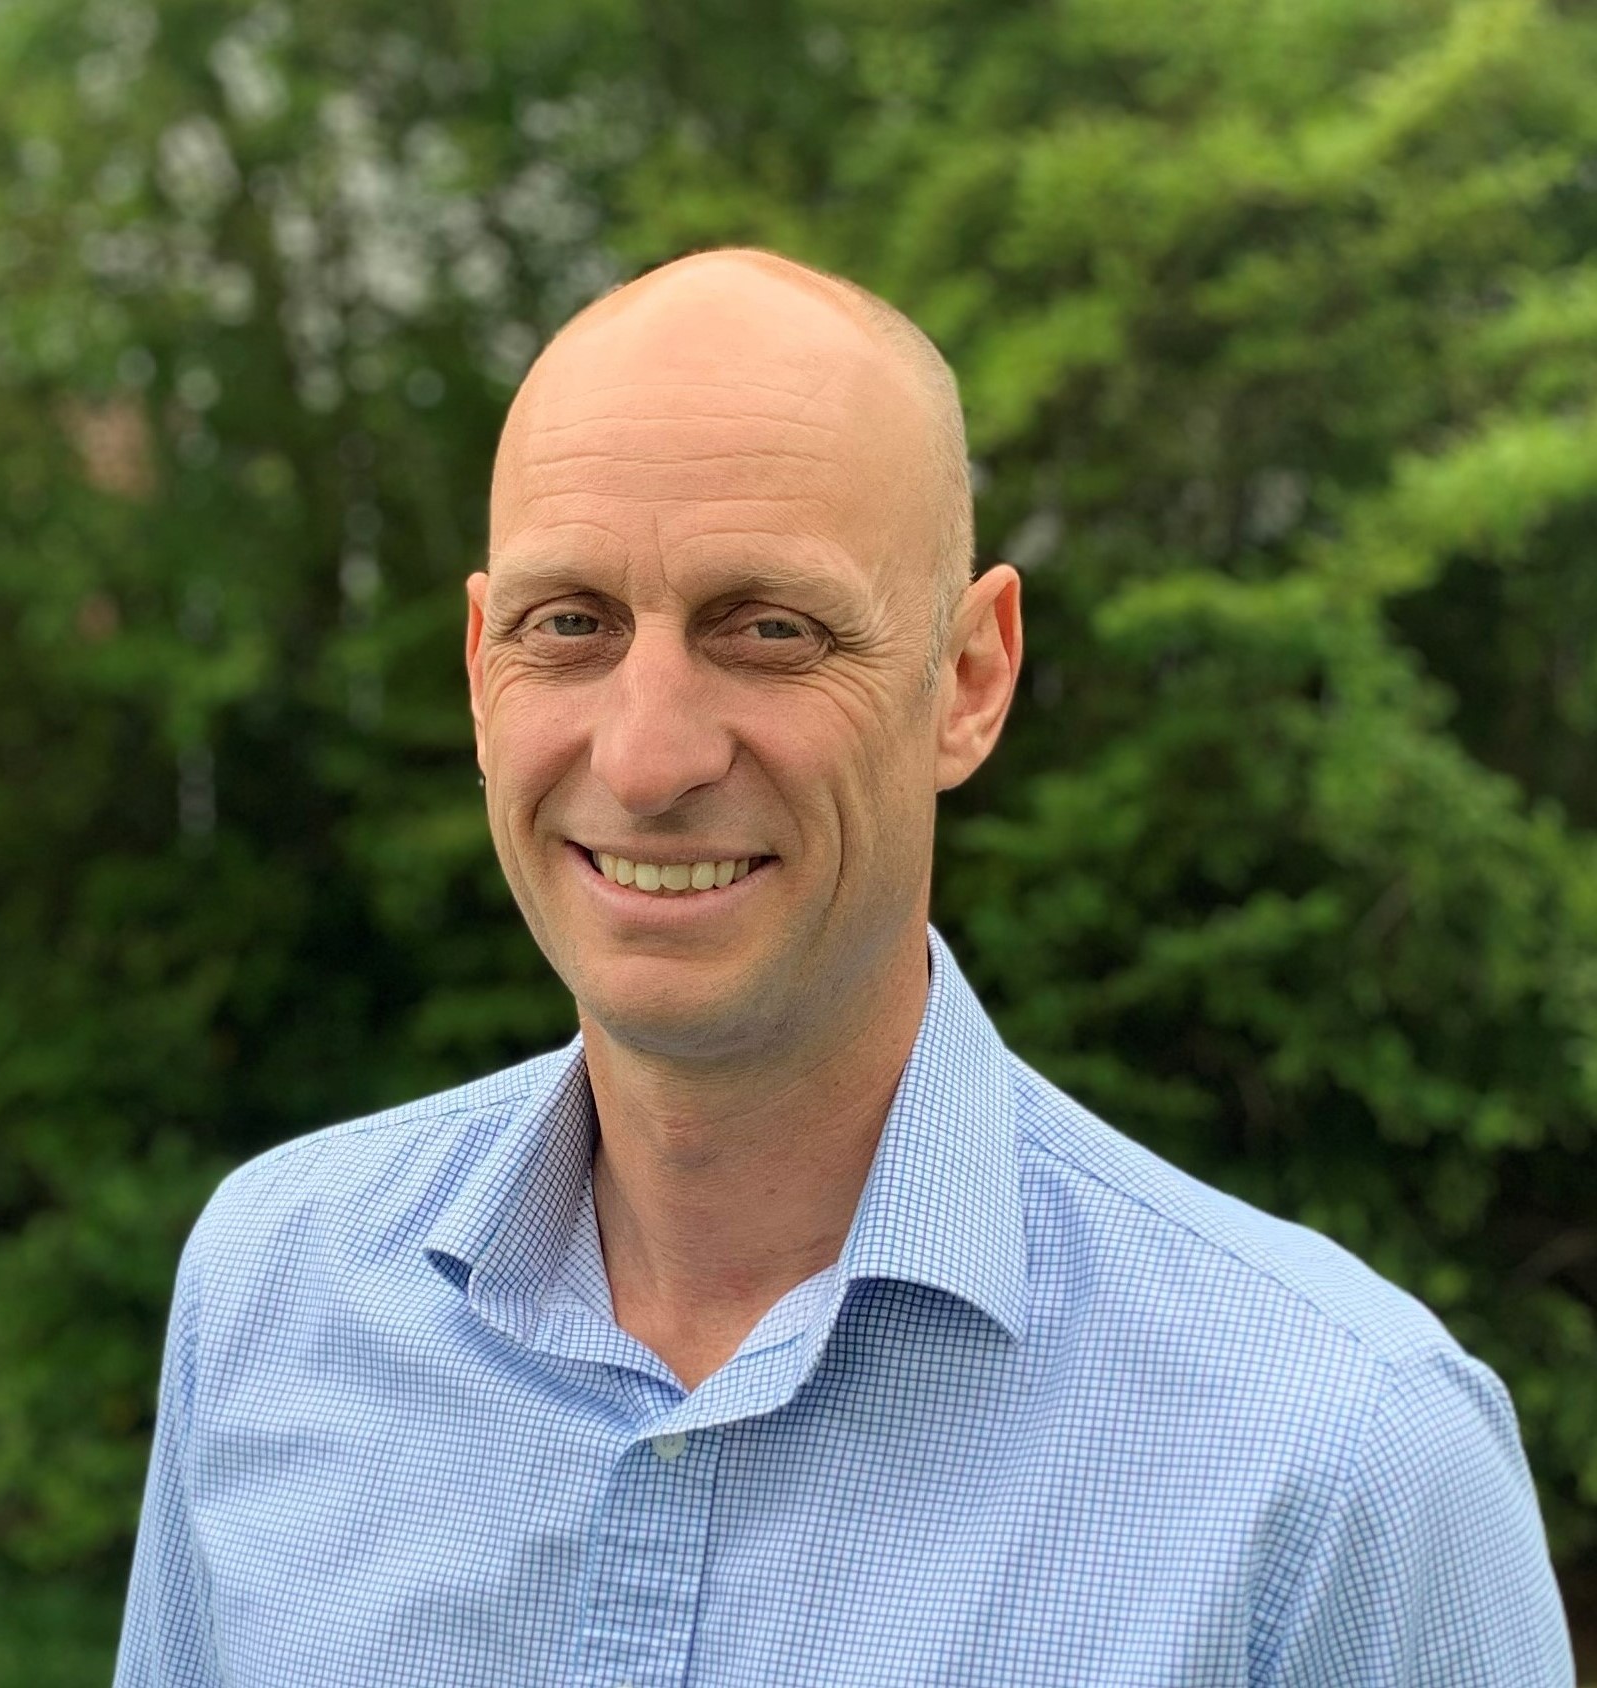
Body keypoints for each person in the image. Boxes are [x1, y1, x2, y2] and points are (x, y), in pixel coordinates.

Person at [116, 248, 1574, 1686]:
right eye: (571, 627)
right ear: (481, 668)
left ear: (970, 679)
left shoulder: (1341, 1463)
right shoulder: (274, 1290)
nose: (648, 757)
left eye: (771, 630)